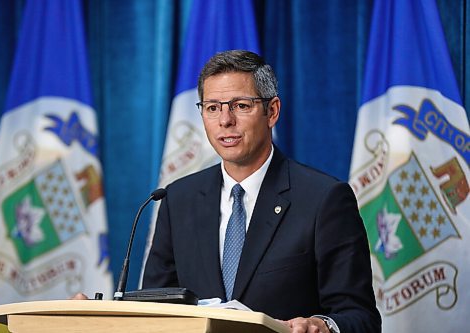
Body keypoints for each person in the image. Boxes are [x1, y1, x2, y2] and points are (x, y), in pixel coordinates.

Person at [142, 50, 381, 333]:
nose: (225, 120)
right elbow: (154, 310)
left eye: (241, 106)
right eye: (212, 108)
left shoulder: (324, 199)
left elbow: (360, 317)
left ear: (272, 111)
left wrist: (323, 325)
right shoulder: (178, 199)